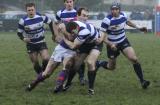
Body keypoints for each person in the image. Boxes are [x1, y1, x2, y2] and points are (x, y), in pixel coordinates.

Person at [25, 7, 91, 93]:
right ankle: (34, 83)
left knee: (68, 65)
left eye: (87, 16)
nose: (85, 18)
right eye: (83, 15)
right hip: (61, 48)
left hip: (72, 51)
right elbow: (59, 26)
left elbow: (74, 39)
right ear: (78, 15)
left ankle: (58, 86)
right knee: (47, 73)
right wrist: (57, 35)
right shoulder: (71, 23)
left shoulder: (86, 26)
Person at [96, 2, 150, 89]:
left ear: (119, 10)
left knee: (134, 59)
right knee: (111, 67)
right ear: (111, 10)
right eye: (112, 9)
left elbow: (127, 22)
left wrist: (139, 28)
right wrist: (110, 44)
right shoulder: (107, 20)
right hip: (112, 44)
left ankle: (142, 81)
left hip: (123, 41)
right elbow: (102, 37)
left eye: (116, 9)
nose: (114, 11)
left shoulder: (123, 15)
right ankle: (99, 63)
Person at [63, 21, 104, 95]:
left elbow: (73, 46)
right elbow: (64, 26)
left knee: (90, 62)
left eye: (73, 32)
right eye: (71, 32)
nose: (72, 34)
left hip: (96, 44)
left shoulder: (84, 31)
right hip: (85, 43)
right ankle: (68, 84)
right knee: (76, 65)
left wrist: (64, 39)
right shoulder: (74, 24)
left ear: (76, 27)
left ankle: (91, 89)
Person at [53, 0, 86, 85]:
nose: (69, 3)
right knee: (69, 60)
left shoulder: (77, 12)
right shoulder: (60, 13)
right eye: (67, 2)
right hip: (66, 39)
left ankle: (81, 77)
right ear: (64, 3)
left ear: (73, 2)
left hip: (77, 38)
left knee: (80, 59)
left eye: (70, 1)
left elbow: (83, 22)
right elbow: (55, 23)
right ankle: (65, 77)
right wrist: (56, 35)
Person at [17, 3, 54, 75]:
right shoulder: (22, 21)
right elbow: (19, 33)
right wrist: (23, 38)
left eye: (32, 10)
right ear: (26, 11)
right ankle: (40, 75)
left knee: (46, 58)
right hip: (31, 44)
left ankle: (43, 71)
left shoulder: (41, 16)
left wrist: (53, 34)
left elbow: (50, 22)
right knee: (35, 62)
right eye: (29, 10)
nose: (31, 11)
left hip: (41, 41)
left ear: (35, 9)